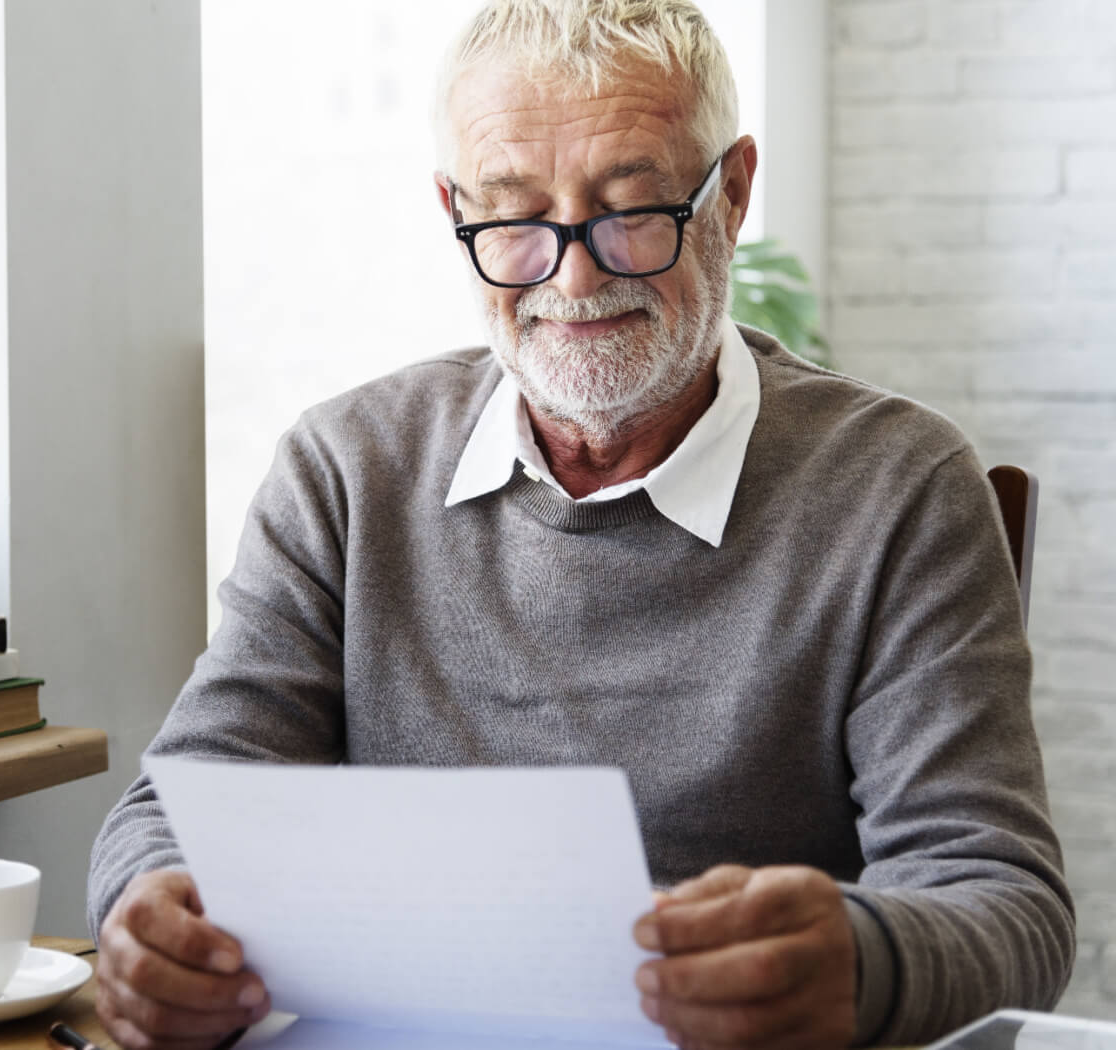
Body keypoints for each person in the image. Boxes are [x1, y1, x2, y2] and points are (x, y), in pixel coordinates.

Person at [87, 2, 1076, 1047]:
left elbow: (1000, 897)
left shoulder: (898, 487)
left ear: (730, 195)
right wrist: (152, 919)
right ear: (452, 210)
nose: (573, 275)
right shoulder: (345, 468)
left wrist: (865, 959)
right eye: (512, 217)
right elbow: (176, 808)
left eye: (631, 208)